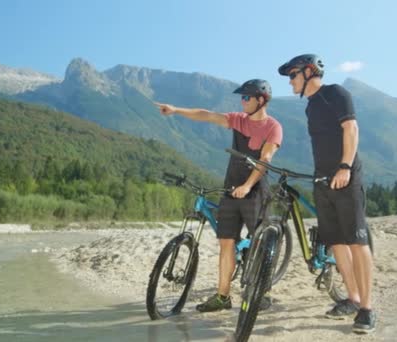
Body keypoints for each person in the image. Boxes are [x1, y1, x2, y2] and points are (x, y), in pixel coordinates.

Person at [155, 79, 282, 312]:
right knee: (226, 243)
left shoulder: (273, 127)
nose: (242, 101)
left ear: (261, 100)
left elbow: (265, 160)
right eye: (241, 97)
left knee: (261, 242)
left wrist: (247, 185)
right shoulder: (238, 120)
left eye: (246, 97)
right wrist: (176, 110)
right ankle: (223, 297)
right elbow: (207, 115)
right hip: (231, 189)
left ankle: (264, 291)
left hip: (255, 192)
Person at [278, 54, 376, 333]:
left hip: (346, 177)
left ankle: (367, 309)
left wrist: (345, 166)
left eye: (293, 75)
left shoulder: (336, 93)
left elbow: (351, 129)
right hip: (322, 181)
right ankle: (353, 299)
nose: (290, 81)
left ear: (309, 71)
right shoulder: (310, 107)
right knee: (337, 243)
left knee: (357, 241)